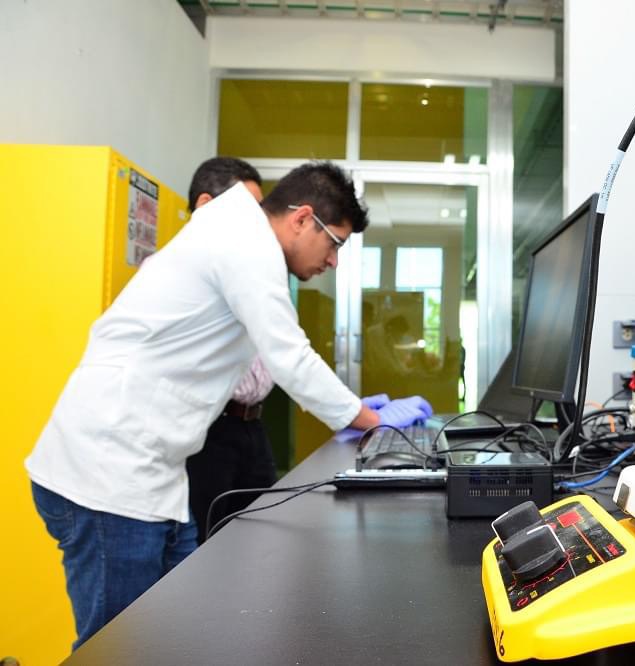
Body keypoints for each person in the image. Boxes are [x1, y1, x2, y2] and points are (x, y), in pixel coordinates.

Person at [25, 161, 432, 650]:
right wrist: (372, 421)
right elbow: (290, 356)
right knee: (118, 648)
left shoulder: (237, 234)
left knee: (181, 634)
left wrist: (354, 410)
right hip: (107, 476)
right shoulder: (245, 242)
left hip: (150, 475)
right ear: (302, 218)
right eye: (335, 244)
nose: (333, 262)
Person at [181, 157, 278, 545]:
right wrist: (358, 415)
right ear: (205, 205)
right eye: (248, 211)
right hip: (211, 429)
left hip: (251, 425)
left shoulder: (242, 271)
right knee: (210, 543)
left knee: (262, 538)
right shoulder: (181, 273)